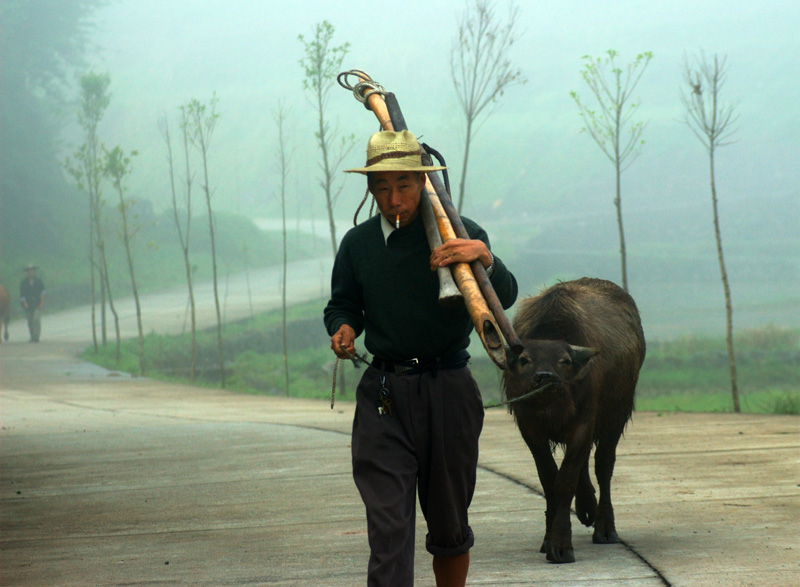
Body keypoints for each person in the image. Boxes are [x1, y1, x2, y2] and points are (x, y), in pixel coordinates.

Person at [323, 130, 518, 586]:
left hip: (447, 390)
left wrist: (484, 257)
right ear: (370, 189)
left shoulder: (461, 234)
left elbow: (503, 298)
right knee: (388, 525)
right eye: (383, 187)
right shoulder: (359, 244)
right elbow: (343, 304)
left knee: (450, 525)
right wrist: (344, 328)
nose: (394, 198)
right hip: (384, 395)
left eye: (404, 185)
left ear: (422, 183)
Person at [20, 264, 45, 342]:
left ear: (34, 272)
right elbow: (22, 294)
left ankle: (36, 336)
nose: (31, 272)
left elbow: (43, 292)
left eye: (32, 271)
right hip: (28, 304)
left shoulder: (39, 282)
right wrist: (24, 303)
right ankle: (32, 336)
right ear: (27, 272)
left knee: (36, 319)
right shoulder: (24, 283)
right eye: (29, 271)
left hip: (37, 303)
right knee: (30, 321)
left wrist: (42, 302)